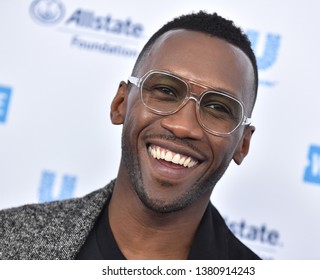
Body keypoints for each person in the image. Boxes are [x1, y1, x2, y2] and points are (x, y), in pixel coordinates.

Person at [0, 11, 260, 260]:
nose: (183, 126)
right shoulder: (9, 240)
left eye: (218, 108)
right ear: (120, 104)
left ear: (243, 144)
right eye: (166, 91)